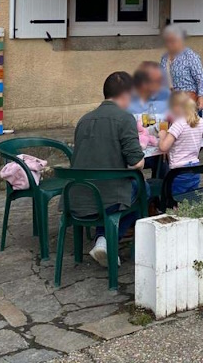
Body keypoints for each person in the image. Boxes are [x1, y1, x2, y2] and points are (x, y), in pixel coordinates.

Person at [72, 71, 146, 267]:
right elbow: (137, 162)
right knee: (144, 190)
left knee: (110, 188)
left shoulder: (84, 120)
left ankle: (102, 239)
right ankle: (108, 239)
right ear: (126, 95)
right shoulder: (125, 118)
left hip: (78, 197)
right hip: (107, 198)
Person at [157, 91, 203, 196]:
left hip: (179, 171)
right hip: (194, 168)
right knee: (191, 197)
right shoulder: (200, 121)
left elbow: (163, 147)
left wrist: (162, 135)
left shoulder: (178, 124)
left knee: (176, 199)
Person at [159, 26, 203, 112]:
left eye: (173, 41)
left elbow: (200, 78)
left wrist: (201, 97)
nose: (170, 44)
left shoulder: (190, 56)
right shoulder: (165, 58)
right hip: (170, 99)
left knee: (185, 124)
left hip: (187, 99)